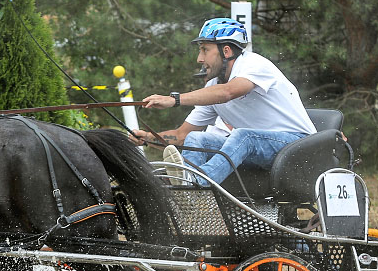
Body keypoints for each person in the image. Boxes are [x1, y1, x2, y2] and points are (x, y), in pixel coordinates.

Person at [129, 17, 315, 184]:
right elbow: (182, 135)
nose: (199, 59)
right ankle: (189, 191)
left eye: (204, 50)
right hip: (264, 150)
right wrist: (146, 138)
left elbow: (228, 92)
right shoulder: (212, 88)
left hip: (299, 148)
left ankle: (197, 182)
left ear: (226, 51)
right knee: (196, 138)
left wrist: (174, 99)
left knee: (244, 136)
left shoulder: (254, 64)